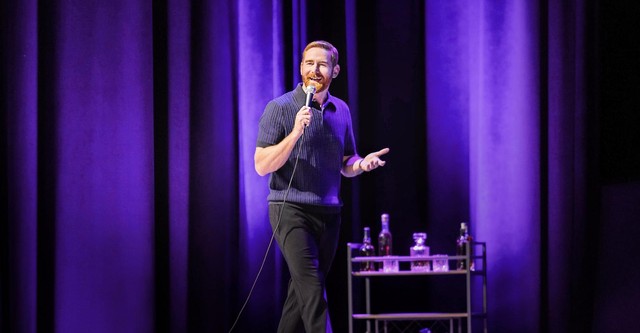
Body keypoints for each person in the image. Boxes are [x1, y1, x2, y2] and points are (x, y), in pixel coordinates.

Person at [254, 40, 389, 333]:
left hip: (328, 214)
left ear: (335, 70)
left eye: (322, 64)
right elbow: (262, 165)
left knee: (300, 294)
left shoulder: (341, 110)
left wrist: (362, 164)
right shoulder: (280, 108)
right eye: (309, 63)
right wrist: (294, 133)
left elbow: (346, 161)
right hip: (289, 210)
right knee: (313, 293)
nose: (314, 70)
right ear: (301, 67)